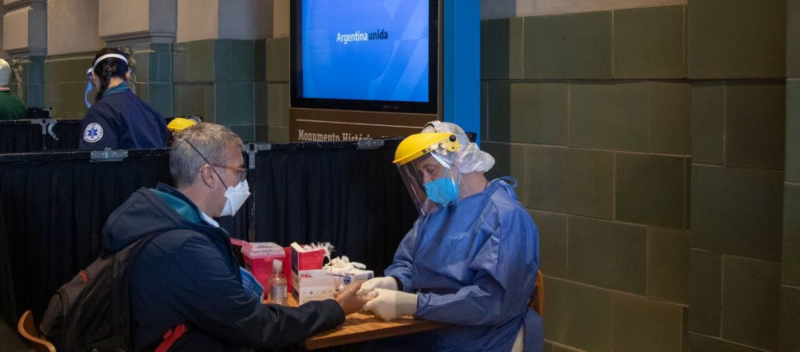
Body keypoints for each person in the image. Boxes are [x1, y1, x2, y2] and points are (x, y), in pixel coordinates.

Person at [102, 122, 366, 350]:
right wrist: (336, 309)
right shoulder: (185, 249)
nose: (244, 182)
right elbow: (258, 326)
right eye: (239, 172)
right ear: (209, 175)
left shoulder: (160, 216)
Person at [361, 121, 543, 352]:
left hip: (477, 338)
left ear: (460, 161)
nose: (426, 182)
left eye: (431, 170)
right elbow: (408, 260)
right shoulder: (438, 208)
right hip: (425, 329)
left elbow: (492, 302)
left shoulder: (505, 217)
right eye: (421, 173)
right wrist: (394, 281)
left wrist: (414, 304)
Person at [79, 48, 167, 150]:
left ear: (94, 76)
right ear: (128, 74)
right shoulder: (153, 114)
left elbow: (92, 162)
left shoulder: (99, 113)